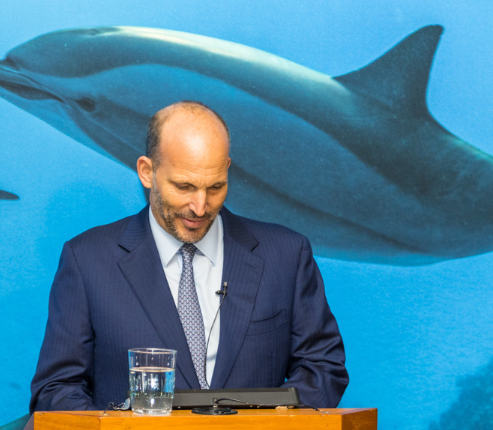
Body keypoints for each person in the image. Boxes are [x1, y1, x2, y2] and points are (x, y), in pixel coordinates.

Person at [30, 100, 348, 411]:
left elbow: (323, 367)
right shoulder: (87, 261)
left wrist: (275, 429)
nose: (200, 206)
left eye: (215, 187)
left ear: (227, 170)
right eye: (184, 186)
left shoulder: (286, 255)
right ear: (146, 171)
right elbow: (56, 389)